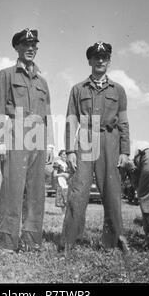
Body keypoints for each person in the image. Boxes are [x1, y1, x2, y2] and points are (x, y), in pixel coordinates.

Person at [60, 41, 131, 253]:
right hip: (86, 139)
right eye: (96, 57)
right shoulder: (78, 89)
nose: (100, 61)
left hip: (110, 140)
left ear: (109, 61)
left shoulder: (118, 90)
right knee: (78, 191)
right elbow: (71, 120)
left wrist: (125, 151)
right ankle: (68, 242)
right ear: (89, 60)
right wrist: (70, 150)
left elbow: (124, 122)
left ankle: (113, 242)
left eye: (105, 57)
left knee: (112, 192)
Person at [0, 28, 54, 253]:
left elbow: (47, 115)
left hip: (38, 139)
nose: (31, 49)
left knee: (36, 193)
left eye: (34, 45)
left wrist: (51, 143)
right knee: (12, 191)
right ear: (17, 47)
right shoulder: (5, 75)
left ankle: (31, 242)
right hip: (15, 135)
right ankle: (7, 243)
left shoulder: (42, 81)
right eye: (26, 45)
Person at [53, 150, 71, 215]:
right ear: (60, 155)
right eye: (63, 154)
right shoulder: (57, 163)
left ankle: (67, 213)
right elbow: (54, 175)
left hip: (67, 182)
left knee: (67, 199)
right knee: (62, 199)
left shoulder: (67, 163)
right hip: (60, 182)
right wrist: (63, 174)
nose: (65, 156)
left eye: (65, 154)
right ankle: (63, 214)